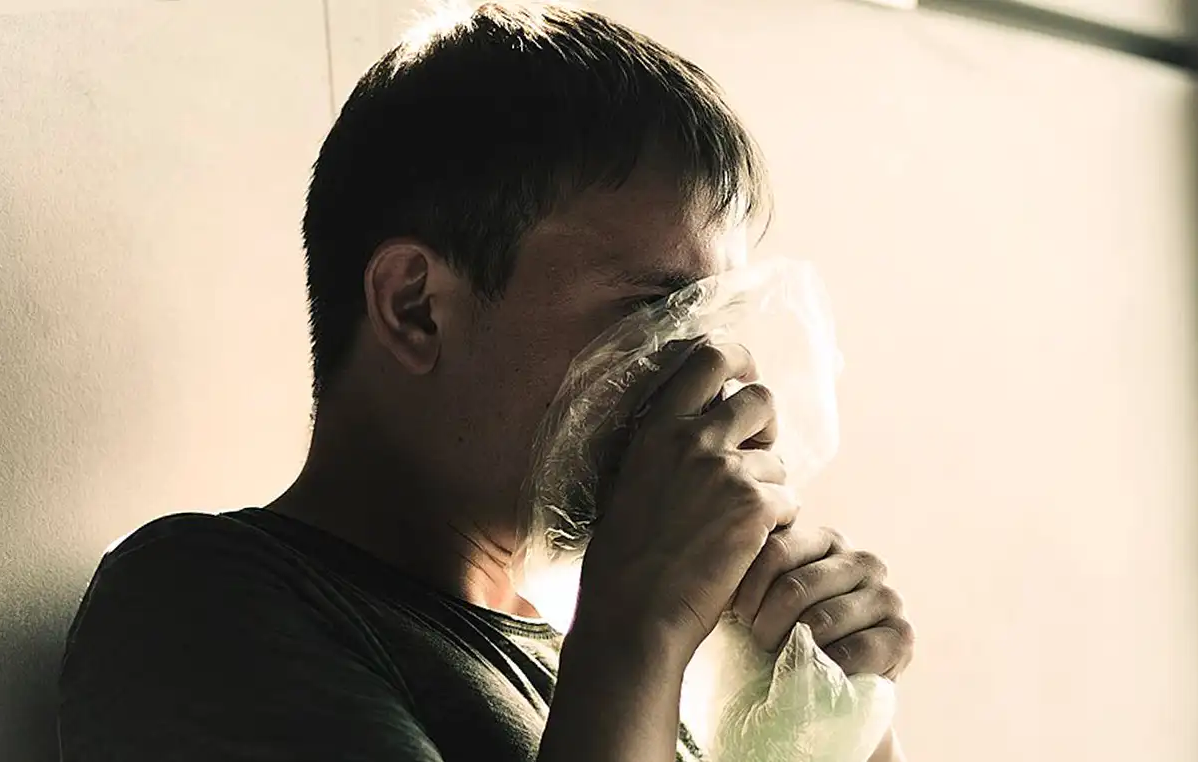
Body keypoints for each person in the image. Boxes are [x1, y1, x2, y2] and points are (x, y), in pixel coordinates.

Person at [57, 3, 914, 760]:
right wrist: (641, 623)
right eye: (652, 313)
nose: (707, 379)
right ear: (417, 309)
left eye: (708, 323)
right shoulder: (198, 603)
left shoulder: (591, 663)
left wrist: (833, 705)